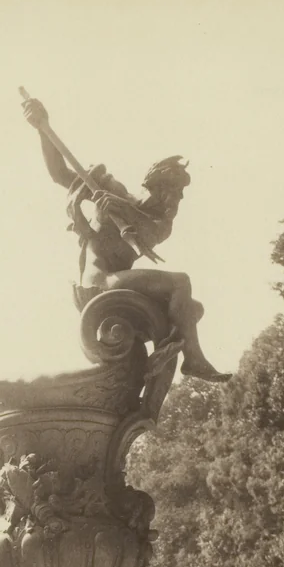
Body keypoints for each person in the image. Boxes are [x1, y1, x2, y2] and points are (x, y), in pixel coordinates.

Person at [22, 96, 230, 382]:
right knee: (180, 282)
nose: (176, 199)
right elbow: (60, 174)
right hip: (99, 284)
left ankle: (162, 355)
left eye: (179, 194)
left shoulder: (160, 224)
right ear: (153, 187)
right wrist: (41, 128)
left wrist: (120, 208)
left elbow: (144, 230)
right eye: (172, 190)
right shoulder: (117, 192)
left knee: (191, 310)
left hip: (117, 284)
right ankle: (194, 360)